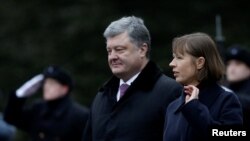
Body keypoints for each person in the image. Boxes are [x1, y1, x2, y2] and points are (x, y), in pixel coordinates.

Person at [82, 16, 182, 141]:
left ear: (142, 50)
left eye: (119, 50)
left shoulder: (170, 92)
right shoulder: (102, 97)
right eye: (109, 51)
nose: (112, 57)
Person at [163, 32, 243, 141]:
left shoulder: (226, 101)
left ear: (200, 62)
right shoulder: (172, 107)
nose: (172, 63)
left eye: (179, 57)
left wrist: (194, 108)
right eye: (173, 57)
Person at [4, 65, 89, 141]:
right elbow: (11, 118)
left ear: (64, 89)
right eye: (45, 83)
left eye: (52, 84)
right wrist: (20, 95)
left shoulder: (79, 115)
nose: (46, 87)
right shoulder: (38, 108)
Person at [225, 44, 250, 131]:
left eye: (238, 64)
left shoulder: (224, 91)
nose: (232, 68)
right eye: (229, 64)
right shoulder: (226, 88)